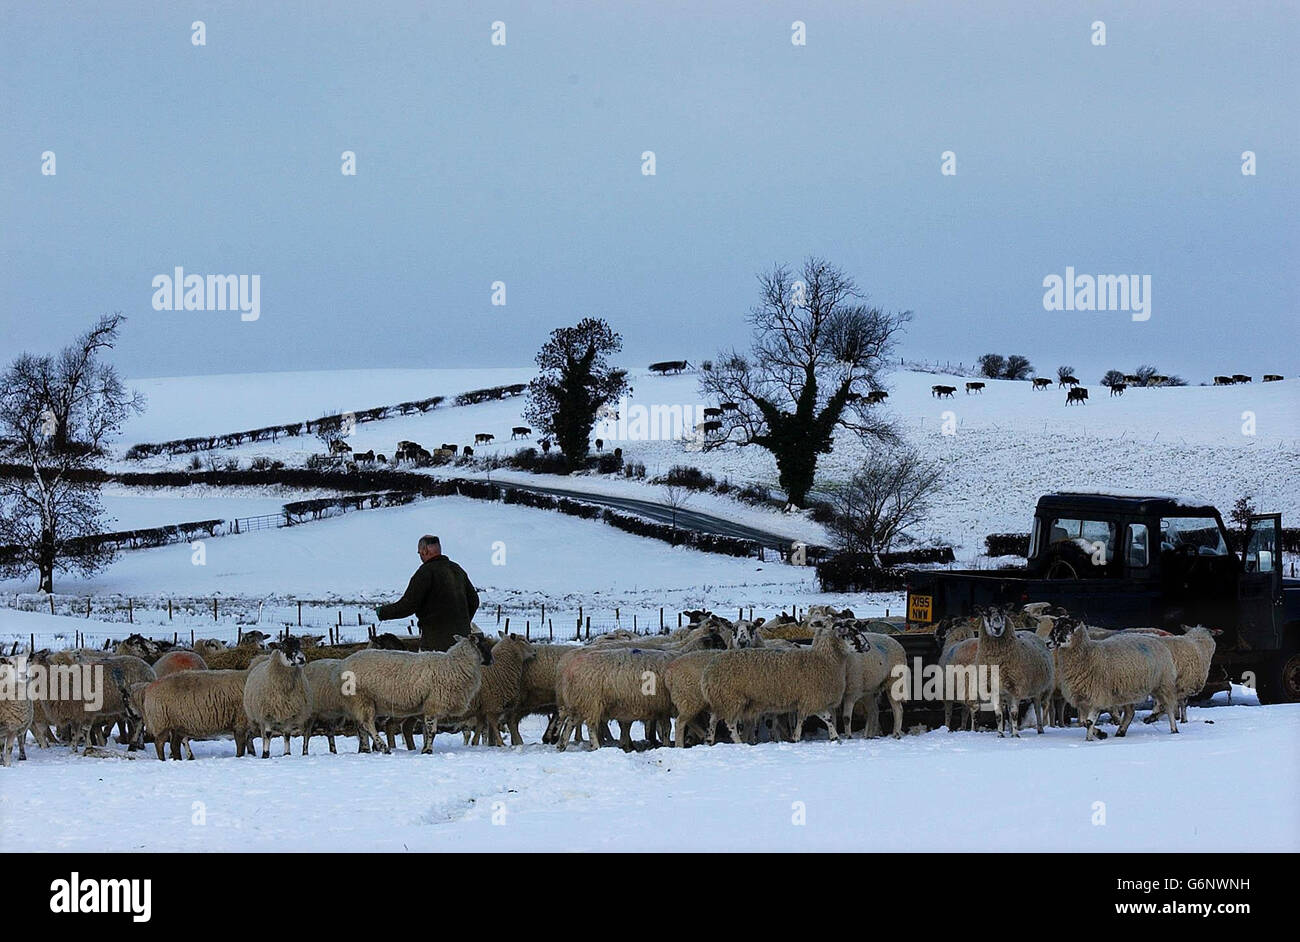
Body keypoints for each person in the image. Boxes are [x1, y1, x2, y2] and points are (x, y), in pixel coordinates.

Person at [375, 535, 479, 651]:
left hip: (435, 645)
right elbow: (474, 601)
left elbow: (408, 605)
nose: (420, 555)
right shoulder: (457, 570)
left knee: (430, 669)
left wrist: (383, 612)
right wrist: (461, 623)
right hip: (462, 644)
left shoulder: (425, 572)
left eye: (419, 552)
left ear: (424, 551)